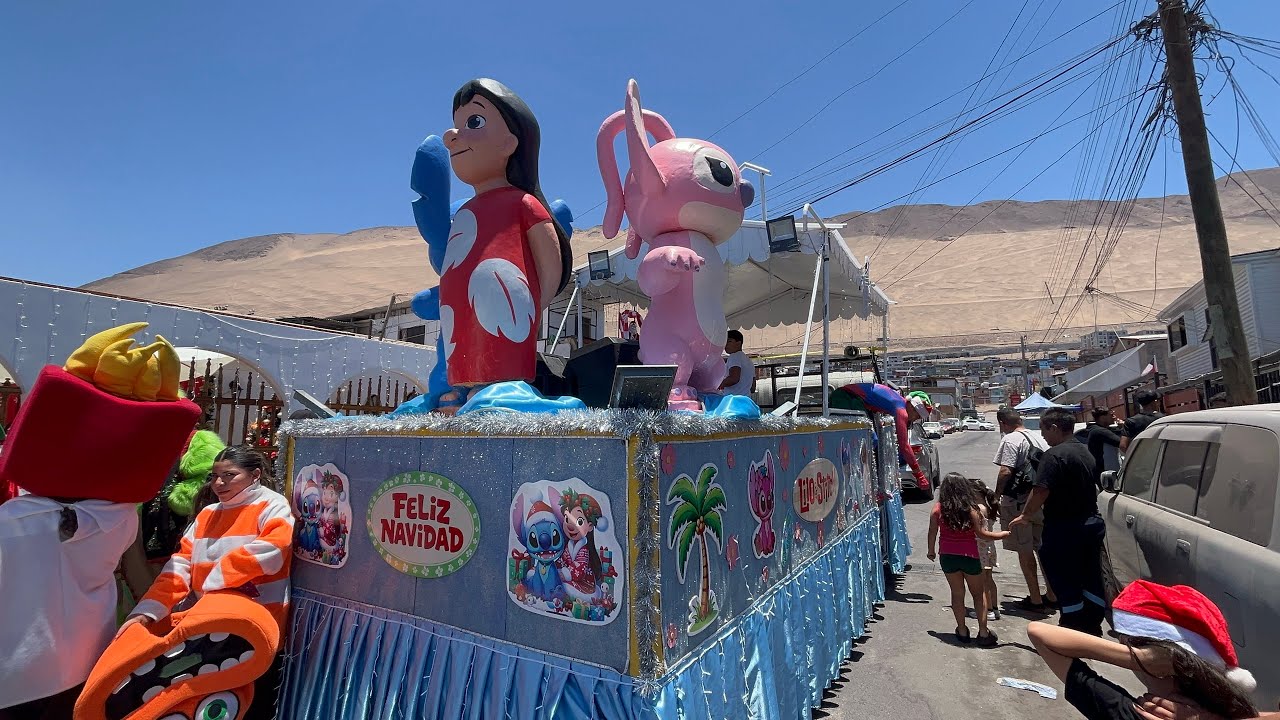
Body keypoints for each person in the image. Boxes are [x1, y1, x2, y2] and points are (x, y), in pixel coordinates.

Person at [0, 323, 200, 720]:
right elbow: (136, 568)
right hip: (87, 657)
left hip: (17, 666)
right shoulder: (120, 516)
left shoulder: (14, 515)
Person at [121, 445, 294, 720]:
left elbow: (272, 550)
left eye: (229, 475)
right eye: (214, 476)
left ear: (255, 475)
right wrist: (147, 611)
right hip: (211, 626)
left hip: (258, 628)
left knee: (253, 702)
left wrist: (213, 584)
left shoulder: (272, 505)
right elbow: (179, 566)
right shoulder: (207, 514)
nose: (219, 483)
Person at [437, 78, 572, 408]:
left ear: (510, 142)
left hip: (507, 316)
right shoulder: (466, 211)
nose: (452, 137)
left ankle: (497, 388)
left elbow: (548, 258)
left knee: (497, 352)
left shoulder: (522, 203)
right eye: (456, 126)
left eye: (474, 122)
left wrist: (536, 301)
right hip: (460, 317)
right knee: (466, 346)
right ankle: (466, 387)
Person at [1028, 580, 1258, 720]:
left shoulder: (1141, 713)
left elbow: (1039, 633)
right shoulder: (1233, 711)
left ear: (1157, 663)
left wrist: (1135, 659)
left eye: (1126, 641)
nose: (1121, 643)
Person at [1013, 407, 1108, 636]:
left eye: (1044, 430)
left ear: (1054, 428)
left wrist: (1025, 516)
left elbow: (1041, 490)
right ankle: (1092, 623)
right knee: (1091, 574)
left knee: (1064, 577)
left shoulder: (1054, 455)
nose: (1043, 436)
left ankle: (1072, 624)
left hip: (1065, 527)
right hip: (1091, 523)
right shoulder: (1085, 451)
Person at [927, 473, 1011, 647]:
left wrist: (931, 551)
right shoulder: (971, 509)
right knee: (978, 595)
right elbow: (982, 534)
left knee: (957, 595)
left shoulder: (938, 508)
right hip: (969, 557)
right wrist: (1001, 535)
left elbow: (932, 532)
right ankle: (983, 632)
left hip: (948, 557)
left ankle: (962, 630)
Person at [993, 407, 1058, 613]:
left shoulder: (1011, 440)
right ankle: (1052, 594)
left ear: (1003, 423)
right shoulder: (1038, 437)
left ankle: (1036, 599)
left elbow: (1006, 471)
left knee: (1024, 548)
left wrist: (995, 496)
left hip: (1020, 502)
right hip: (1040, 499)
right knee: (1043, 548)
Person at [969, 479, 1002, 622]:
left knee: (983, 582)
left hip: (980, 549)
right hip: (988, 548)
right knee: (989, 579)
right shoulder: (989, 507)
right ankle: (994, 608)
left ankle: (987, 610)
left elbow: (980, 531)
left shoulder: (978, 509)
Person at [1085, 407, 1122, 490]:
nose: (1114, 417)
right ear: (1102, 417)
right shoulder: (1099, 431)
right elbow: (1121, 443)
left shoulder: (1097, 430)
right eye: (1111, 415)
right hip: (1106, 473)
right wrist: (1124, 428)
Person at [719, 330, 755, 396]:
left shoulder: (734, 356)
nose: (726, 344)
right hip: (746, 400)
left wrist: (717, 385)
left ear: (738, 343)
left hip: (733, 400)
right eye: (725, 342)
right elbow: (753, 387)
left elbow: (734, 379)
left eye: (729, 341)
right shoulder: (749, 361)